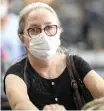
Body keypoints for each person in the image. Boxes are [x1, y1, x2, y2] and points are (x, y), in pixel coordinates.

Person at [4, 2, 104, 110]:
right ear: (22, 39)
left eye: (49, 27)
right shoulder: (15, 74)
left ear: (59, 32)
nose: (43, 35)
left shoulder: (75, 65)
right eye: (34, 29)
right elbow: (20, 104)